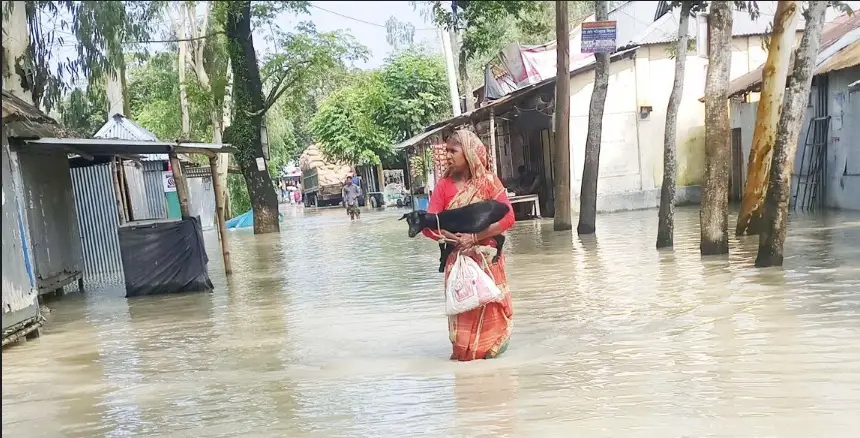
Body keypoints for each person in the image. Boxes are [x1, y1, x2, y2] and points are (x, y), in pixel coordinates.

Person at [421, 129, 516, 361]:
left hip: (488, 261)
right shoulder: (444, 187)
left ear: (469, 152)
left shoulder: (489, 182)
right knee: (464, 316)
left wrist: (474, 238)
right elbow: (428, 224)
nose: (448, 156)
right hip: (460, 263)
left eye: (453, 151)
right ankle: (467, 376)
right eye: (447, 152)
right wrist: (452, 238)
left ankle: (494, 375)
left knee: (492, 313)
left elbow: (508, 217)